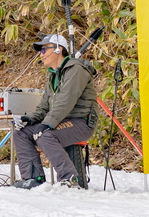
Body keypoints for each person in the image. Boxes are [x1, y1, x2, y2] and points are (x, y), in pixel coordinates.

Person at [12, 34, 98, 189]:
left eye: (44, 49)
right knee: (21, 132)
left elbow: (65, 102)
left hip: (81, 122)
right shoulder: (53, 75)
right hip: (61, 121)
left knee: (45, 134)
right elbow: (44, 108)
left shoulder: (75, 70)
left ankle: (69, 179)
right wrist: (29, 119)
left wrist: (46, 124)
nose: (41, 54)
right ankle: (33, 178)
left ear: (59, 49)